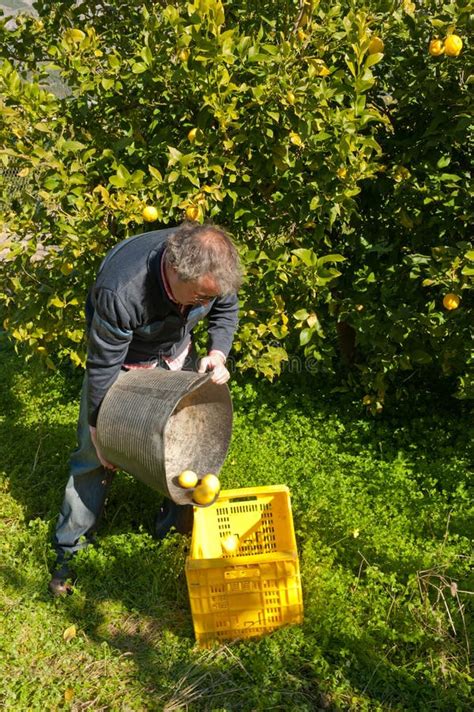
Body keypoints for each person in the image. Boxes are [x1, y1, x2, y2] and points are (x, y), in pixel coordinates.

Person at [49, 221, 242, 595]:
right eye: (200, 298)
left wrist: (218, 352)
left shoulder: (211, 278)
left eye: (209, 298)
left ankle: (171, 529)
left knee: (187, 447)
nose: (205, 304)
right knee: (93, 460)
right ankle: (70, 551)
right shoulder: (122, 289)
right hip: (123, 365)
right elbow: (103, 366)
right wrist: (97, 429)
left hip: (175, 352)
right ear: (174, 271)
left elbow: (225, 311)